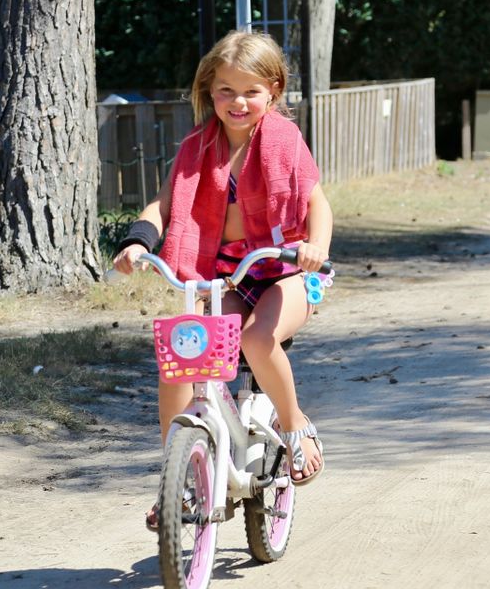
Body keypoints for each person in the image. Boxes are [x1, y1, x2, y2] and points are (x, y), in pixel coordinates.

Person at [113, 31, 332, 529]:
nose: (237, 102)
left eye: (251, 91)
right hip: (227, 277)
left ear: (273, 91)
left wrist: (315, 245)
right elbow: (163, 207)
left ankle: (296, 424)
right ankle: (178, 475)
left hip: (285, 268)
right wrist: (137, 242)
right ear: (208, 92)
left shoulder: (284, 142)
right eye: (225, 91)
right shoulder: (196, 150)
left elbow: (318, 202)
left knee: (258, 338)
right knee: (186, 356)